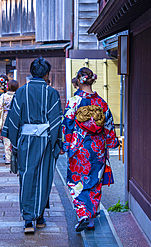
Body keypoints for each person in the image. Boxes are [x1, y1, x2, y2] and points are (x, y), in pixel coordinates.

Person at [2, 58, 63, 234]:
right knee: (44, 177)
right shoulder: (51, 93)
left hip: (26, 141)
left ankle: (29, 219)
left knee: (27, 177)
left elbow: (13, 119)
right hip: (45, 141)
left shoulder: (21, 92)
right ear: (46, 74)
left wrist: (14, 143)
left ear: (32, 72)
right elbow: (56, 121)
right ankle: (40, 216)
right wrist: (56, 143)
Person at [61, 67, 119, 232]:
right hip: (98, 147)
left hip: (79, 147)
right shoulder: (101, 102)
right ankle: (91, 218)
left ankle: (83, 214)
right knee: (94, 181)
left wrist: (65, 145)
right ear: (92, 80)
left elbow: (67, 125)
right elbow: (108, 126)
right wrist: (110, 143)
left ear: (79, 80)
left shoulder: (74, 102)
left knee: (77, 180)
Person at [0, 80, 19, 164]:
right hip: (16, 117)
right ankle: (16, 156)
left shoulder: (4, 96)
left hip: (5, 117)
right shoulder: (18, 96)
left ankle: (8, 158)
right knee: (16, 136)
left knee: (6, 138)